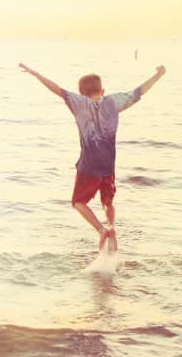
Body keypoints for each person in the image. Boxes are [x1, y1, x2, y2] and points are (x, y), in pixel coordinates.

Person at [19, 62, 166, 254]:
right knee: (108, 202)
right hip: (108, 165)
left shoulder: (78, 102)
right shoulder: (113, 102)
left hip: (89, 166)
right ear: (102, 90)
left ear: (81, 93)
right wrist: (158, 75)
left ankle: (101, 230)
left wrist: (36, 74)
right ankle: (111, 226)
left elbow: (56, 89)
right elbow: (139, 91)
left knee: (78, 202)